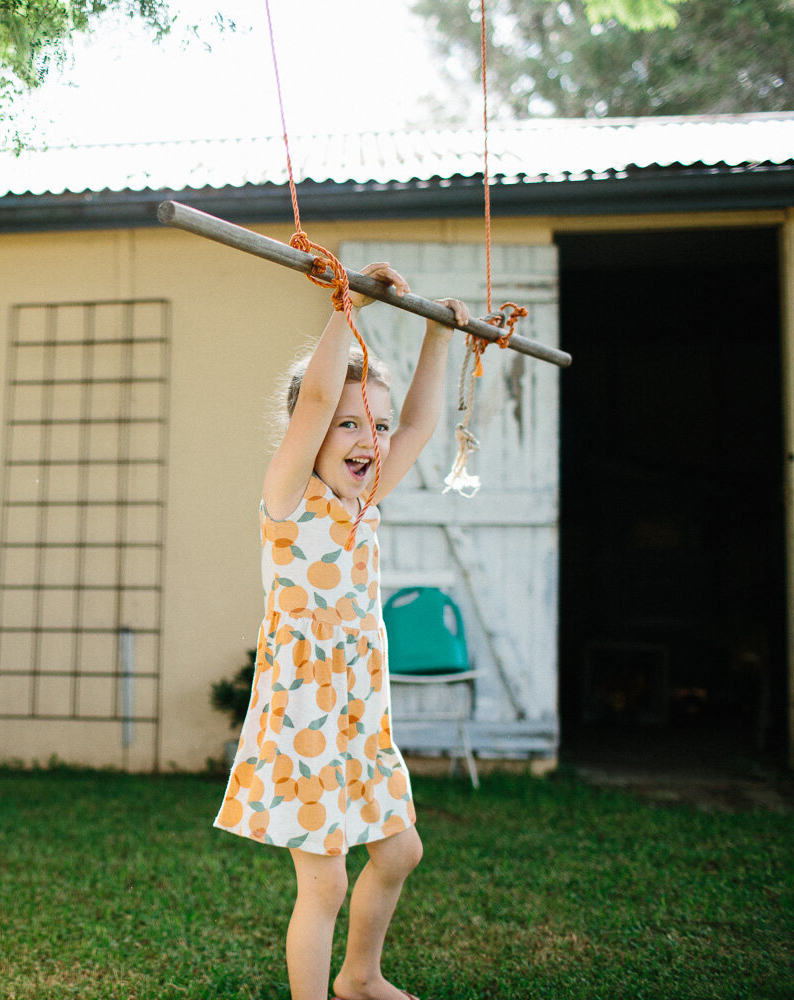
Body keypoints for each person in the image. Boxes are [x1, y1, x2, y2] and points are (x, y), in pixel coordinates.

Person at [214, 262, 471, 1000]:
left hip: (359, 713)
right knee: (323, 882)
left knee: (399, 852)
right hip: (303, 722)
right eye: (350, 425)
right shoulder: (289, 501)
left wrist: (438, 334)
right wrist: (347, 305)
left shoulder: (365, 504)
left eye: (375, 426)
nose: (370, 439)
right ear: (311, 434)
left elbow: (421, 423)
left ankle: (360, 978)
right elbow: (321, 391)